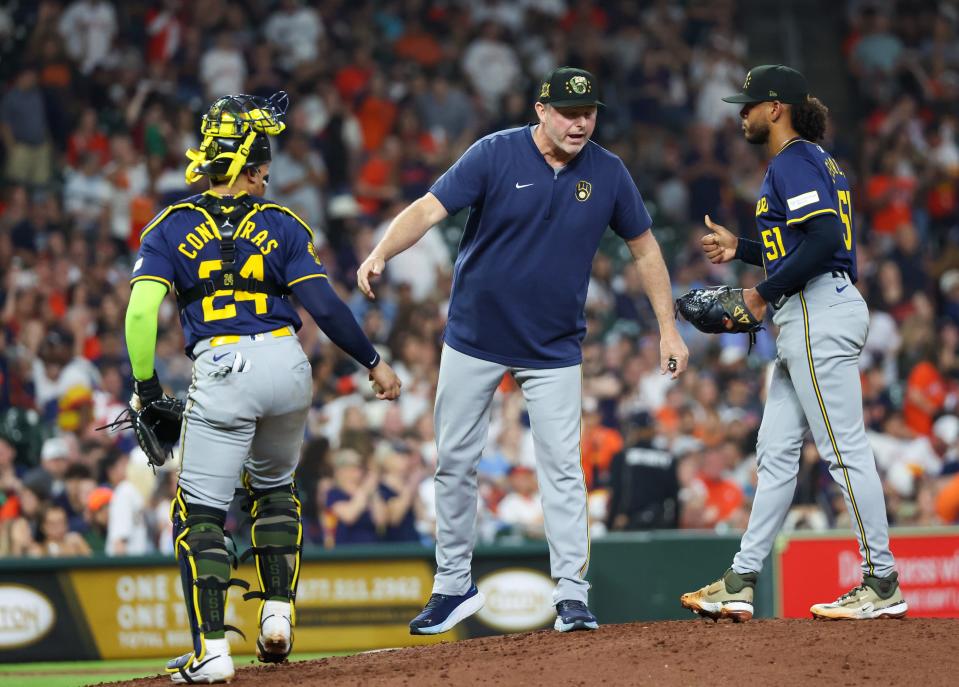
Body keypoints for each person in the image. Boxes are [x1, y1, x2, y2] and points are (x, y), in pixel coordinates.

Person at [358, 67, 688, 635]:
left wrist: (669, 326)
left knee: (563, 472)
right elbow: (429, 208)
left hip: (554, 346)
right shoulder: (495, 153)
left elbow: (645, 249)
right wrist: (381, 251)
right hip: (474, 337)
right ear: (541, 110)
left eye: (588, 113)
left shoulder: (608, 172)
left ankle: (572, 596)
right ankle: (451, 586)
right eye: (568, 111)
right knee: (454, 464)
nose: (580, 122)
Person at [125, 91, 400, 684]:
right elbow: (324, 305)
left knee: (199, 512)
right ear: (248, 168)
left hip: (223, 367)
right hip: (287, 361)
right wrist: (373, 362)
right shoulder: (283, 224)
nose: (266, 180)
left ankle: (212, 650)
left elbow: (141, 314)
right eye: (263, 172)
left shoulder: (170, 226)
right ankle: (277, 615)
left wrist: (146, 387)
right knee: (275, 490)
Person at [680, 65, 907, 622]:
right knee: (776, 454)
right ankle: (741, 578)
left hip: (814, 311)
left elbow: (826, 239)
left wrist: (759, 296)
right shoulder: (811, 161)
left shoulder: (794, 159)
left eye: (750, 104)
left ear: (775, 107)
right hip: (812, 307)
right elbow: (806, 241)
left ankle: (881, 581)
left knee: (842, 451)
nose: (742, 113)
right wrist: (745, 249)